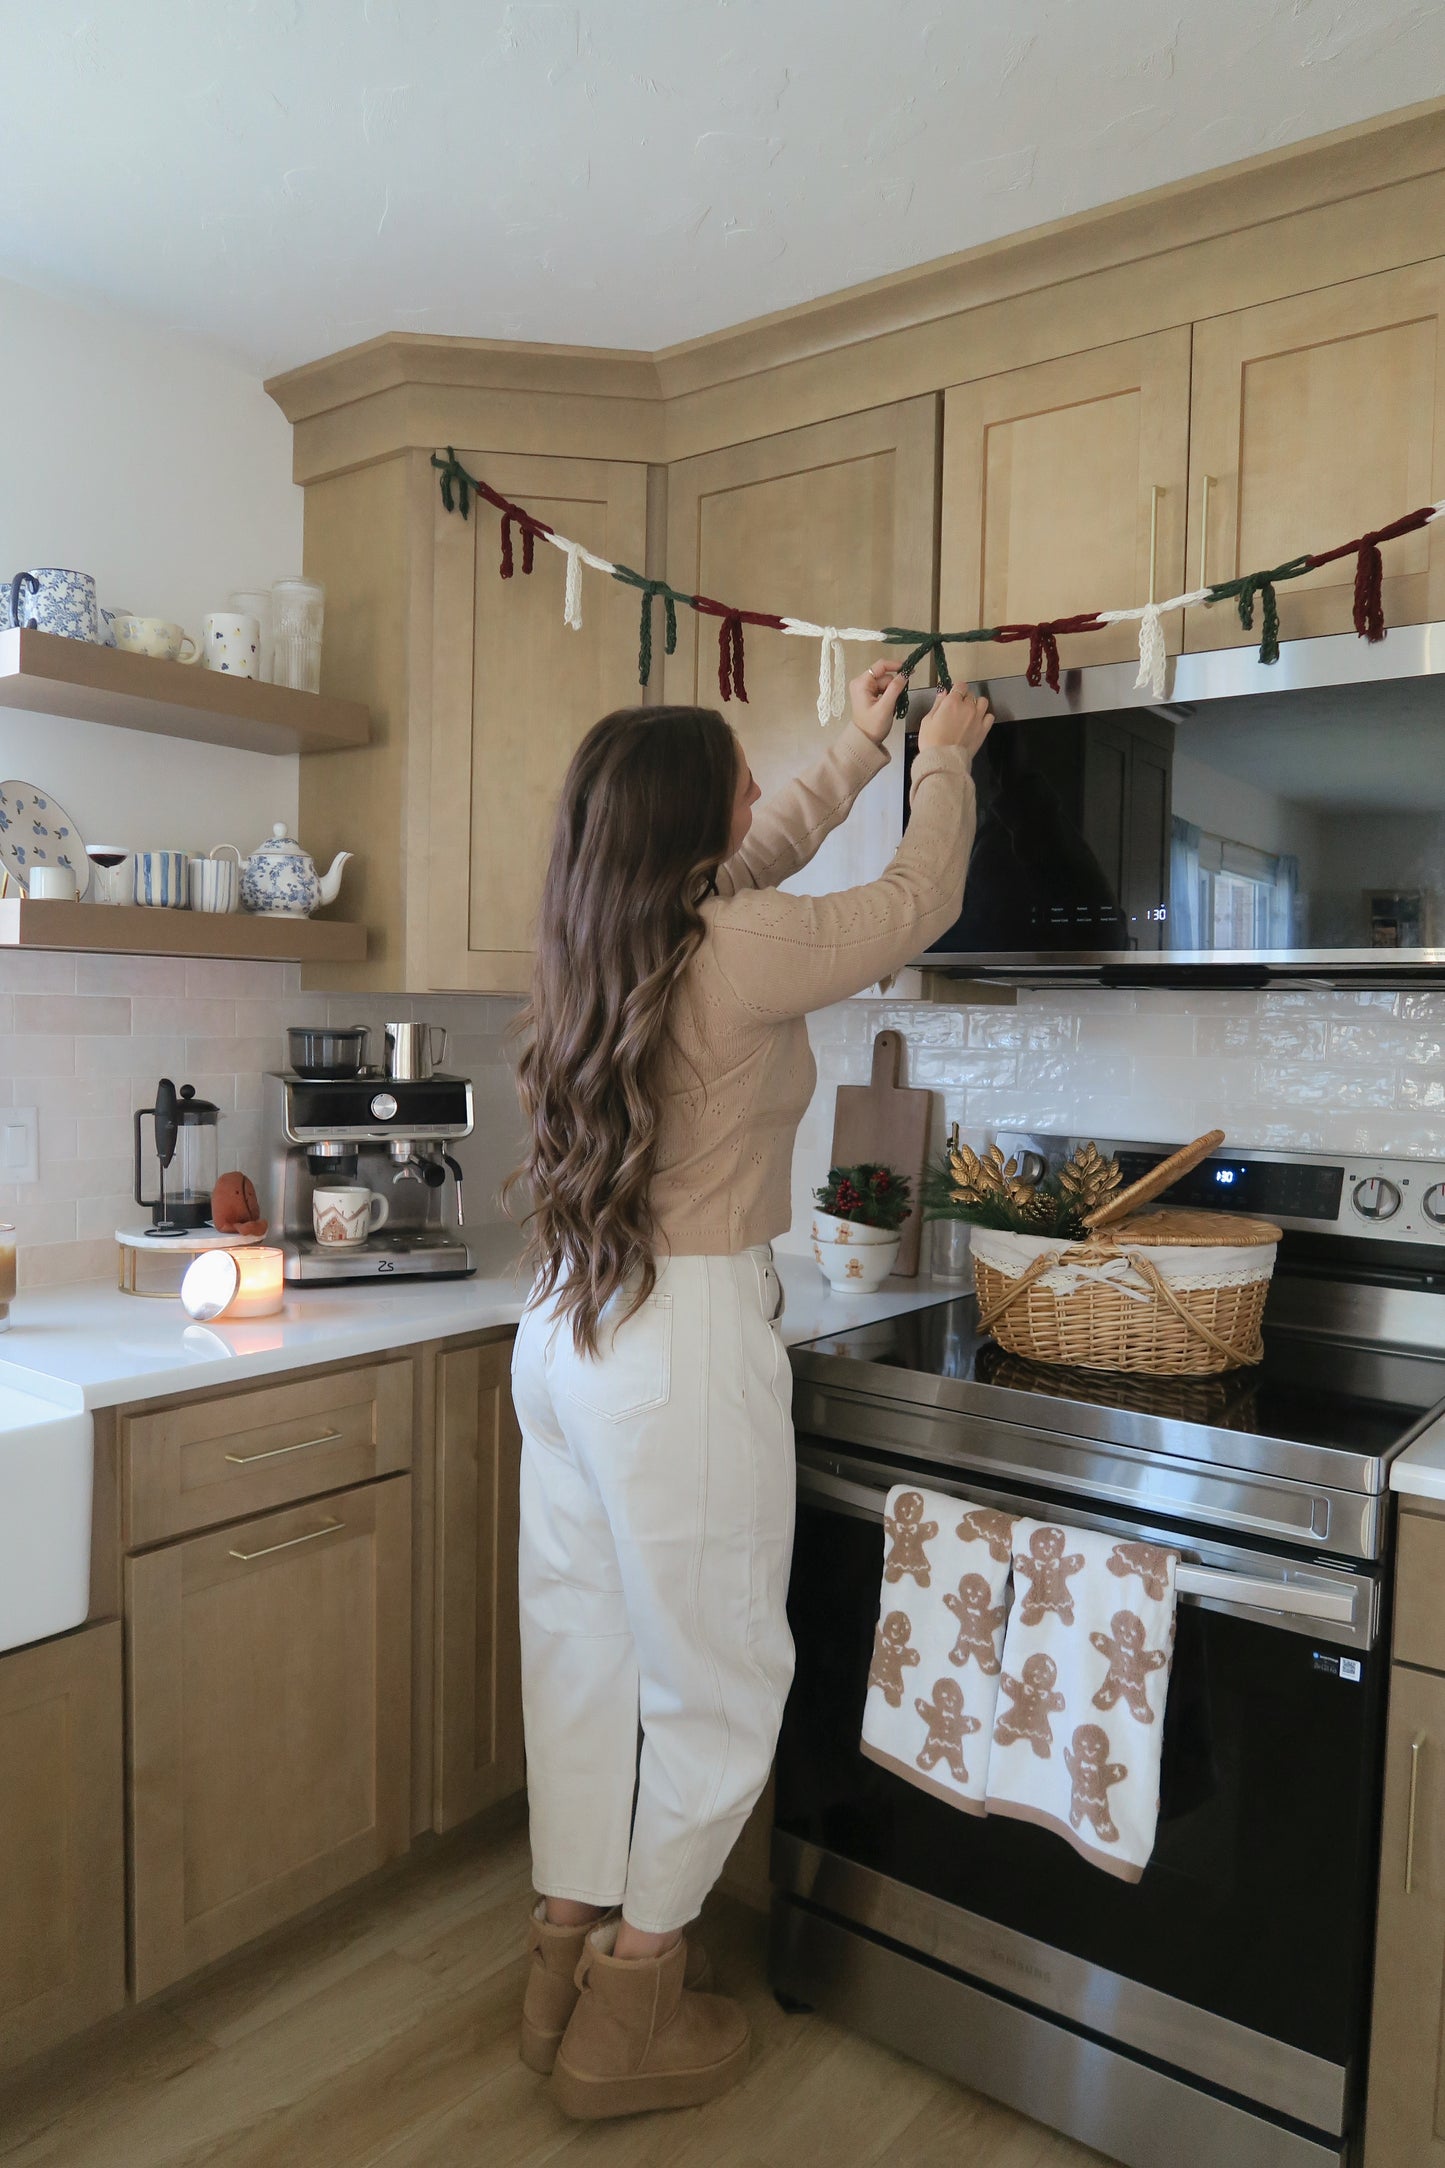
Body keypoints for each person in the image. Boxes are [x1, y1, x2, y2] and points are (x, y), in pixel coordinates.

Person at [508, 661, 993, 2120]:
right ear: (686, 827)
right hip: (682, 1338)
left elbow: (763, 855)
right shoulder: (737, 946)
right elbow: (910, 906)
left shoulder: (606, 929)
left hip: (566, 1328)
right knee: (720, 1679)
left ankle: (563, 1957)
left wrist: (850, 749)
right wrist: (943, 762)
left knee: (581, 1657)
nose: (750, 801)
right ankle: (631, 2007)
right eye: (734, 779)